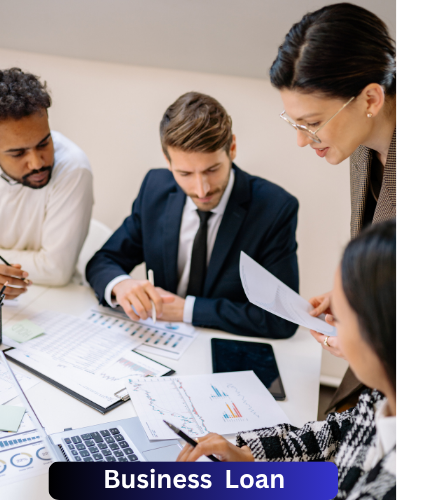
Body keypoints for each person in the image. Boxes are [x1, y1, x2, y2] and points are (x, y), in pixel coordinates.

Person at [178, 219, 397, 500]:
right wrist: (248, 456)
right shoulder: (380, 398)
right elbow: (339, 433)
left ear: (378, 334)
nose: (330, 325)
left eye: (340, 317)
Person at [268, 3, 397, 411]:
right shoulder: (362, 146)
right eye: (295, 123)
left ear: (370, 98)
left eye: (312, 123)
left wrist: (365, 337)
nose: (302, 140)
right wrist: (357, 296)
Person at [86, 92, 299, 338]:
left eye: (212, 170)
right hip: (159, 341)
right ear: (167, 161)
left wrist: (188, 310)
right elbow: (102, 261)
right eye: (185, 174)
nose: (201, 190)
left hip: (226, 345)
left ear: (232, 148)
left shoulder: (275, 208)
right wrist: (120, 285)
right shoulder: (154, 189)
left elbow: (282, 319)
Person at [0, 68, 94, 299]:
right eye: (18, 153)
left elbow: (55, 270)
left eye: (44, 144)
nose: (37, 163)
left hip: (55, 297)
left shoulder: (74, 168)